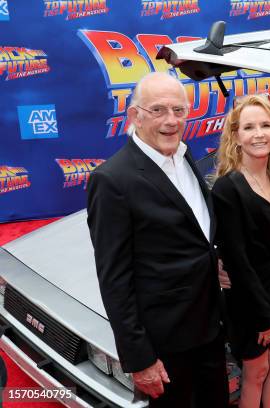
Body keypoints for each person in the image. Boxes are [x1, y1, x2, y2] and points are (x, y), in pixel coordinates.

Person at [87, 72, 227, 407]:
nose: (171, 121)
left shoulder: (183, 154)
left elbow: (194, 234)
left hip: (209, 330)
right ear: (134, 116)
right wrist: (139, 359)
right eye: (158, 110)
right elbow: (114, 279)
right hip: (164, 347)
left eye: (179, 111)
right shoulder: (111, 180)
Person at [212, 94, 270, 408]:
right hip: (249, 296)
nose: (259, 133)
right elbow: (236, 258)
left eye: (265, 125)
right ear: (236, 136)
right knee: (257, 371)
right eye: (249, 127)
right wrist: (263, 316)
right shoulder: (227, 187)